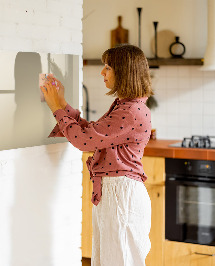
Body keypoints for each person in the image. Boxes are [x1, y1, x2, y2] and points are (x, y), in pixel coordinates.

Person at [41, 44, 153, 266]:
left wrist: (56, 108)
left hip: (121, 195)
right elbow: (92, 133)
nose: (102, 72)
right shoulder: (126, 106)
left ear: (124, 72)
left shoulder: (130, 111)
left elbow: (84, 141)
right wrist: (62, 103)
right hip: (116, 193)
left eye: (108, 67)